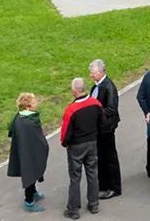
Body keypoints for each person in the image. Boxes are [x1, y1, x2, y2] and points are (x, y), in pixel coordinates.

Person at [60, 76, 103, 219]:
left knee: (75, 177)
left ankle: (73, 208)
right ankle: (94, 203)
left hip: (76, 146)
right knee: (92, 173)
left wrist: (65, 143)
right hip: (92, 143)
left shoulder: (71, 110)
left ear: (74, 91)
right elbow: (102, 122)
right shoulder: (96, 104)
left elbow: (65, 132)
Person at [7, 92, 49, 213]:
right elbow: (37, 138)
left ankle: (34, 193)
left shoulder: (20, 117)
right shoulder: (28, 122)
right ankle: (29, 201)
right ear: (28, 106)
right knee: (30, 174)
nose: (37, 103)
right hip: (29, 153)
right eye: (34, 102)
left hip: (26, 150)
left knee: (32, 173)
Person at [88, 60, 121, 199]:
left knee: (109, 157)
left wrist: (96, 113)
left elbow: (111, 109)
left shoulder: (109, 87)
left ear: (101, 72)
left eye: (93, 72)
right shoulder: (96, 86)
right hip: (99, 128)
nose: (90, 75)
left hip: (106, 127)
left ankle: (114, 187)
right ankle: (104, 184)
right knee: (101, 156)